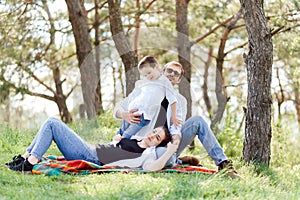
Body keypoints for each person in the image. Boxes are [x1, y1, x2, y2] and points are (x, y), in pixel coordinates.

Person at [155, 61, 240, 178]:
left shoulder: (181, 101)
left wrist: (173, 144)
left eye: (176, 73)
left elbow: (177, 127)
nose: (172, 74)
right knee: (165, 159)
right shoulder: (149, 93)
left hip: (170, 144)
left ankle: (223, 163)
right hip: (151, 144)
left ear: (178, 80)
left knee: (198, 120)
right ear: (162, 73)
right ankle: (178, 160)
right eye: (169, 71)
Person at [5, 117, 176, 172]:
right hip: (91, 148)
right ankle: (25, 157)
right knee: (49, 122)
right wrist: (117, 138)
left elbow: (151, 168)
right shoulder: (135, 138)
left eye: (158, 137)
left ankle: (31, 162)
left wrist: (170, 152)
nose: (153, 135)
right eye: (154, 131)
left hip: (91, 156)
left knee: (52, 123)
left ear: (158, 145)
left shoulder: (147, 154)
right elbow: (126, 119)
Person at [113, 56, 180, 141]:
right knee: (122, 128)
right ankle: (116, 138)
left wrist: (173, 117)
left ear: (156, 67)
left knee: (128, 133)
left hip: (145, 115)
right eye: (145, 75)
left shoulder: (164, 82)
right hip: (135, 110)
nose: (148, 76)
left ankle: (121, 141)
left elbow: (173, 100)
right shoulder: (145, 83)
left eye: (149, 73)